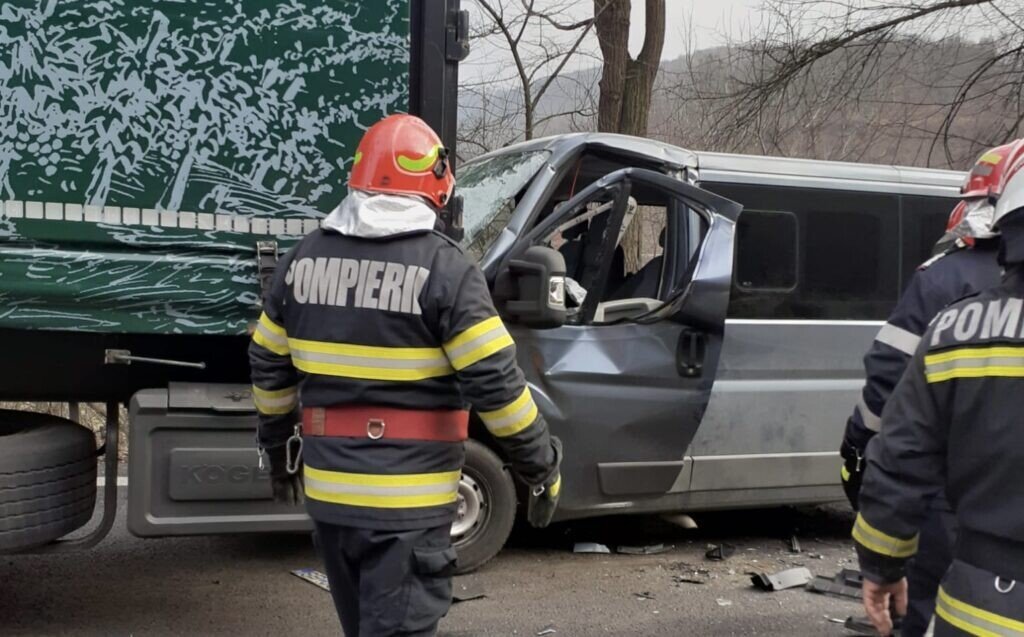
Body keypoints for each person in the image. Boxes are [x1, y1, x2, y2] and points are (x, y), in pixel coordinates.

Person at [249, 114, 562, 637]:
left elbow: (268, 366)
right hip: (408, 509)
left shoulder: (301, 261)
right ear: (435, 188)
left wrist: (279, 453)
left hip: (331, 501)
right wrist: (541, 467)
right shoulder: (447, 271)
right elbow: (498, 387)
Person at [839, 141, 1023, 635]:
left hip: (979, 589)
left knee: (921, 604)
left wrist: (880, 562)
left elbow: (891, 410)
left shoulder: (946, 298)